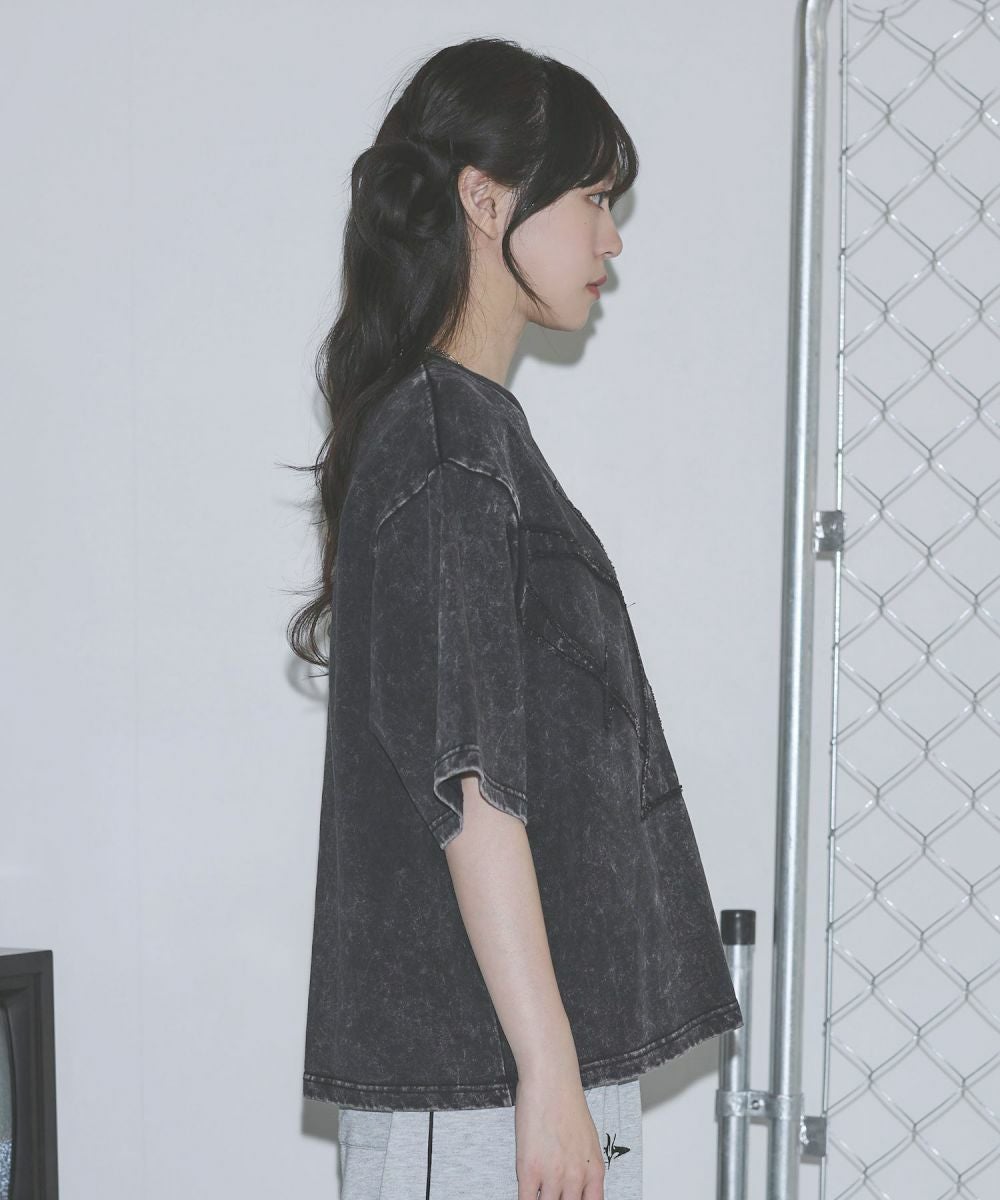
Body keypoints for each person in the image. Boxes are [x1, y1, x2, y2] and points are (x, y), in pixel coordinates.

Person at [287, 36, 744, 1200]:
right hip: (481, 1080)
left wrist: (557, 1071)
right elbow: (474, 788)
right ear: (484, 200)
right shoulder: (447, 446)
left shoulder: (466, 434)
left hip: (506, 1068)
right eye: (591, 197)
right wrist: (546, 1074)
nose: (610, 238)